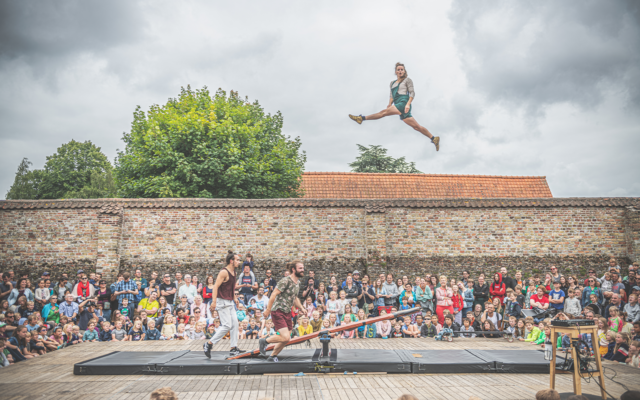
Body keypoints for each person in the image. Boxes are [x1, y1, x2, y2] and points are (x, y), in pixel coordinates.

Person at [348, 62, 440, 150]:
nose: (400, 71)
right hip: (398, 105)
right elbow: (392, 95)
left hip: (403, 103)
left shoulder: (407, 80)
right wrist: (389, 104)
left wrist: (408, 104)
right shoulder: (392, 83)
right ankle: (433, 138)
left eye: (402, 69)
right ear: (396, 71)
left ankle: (361, 118)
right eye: (398, 69)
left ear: (404, 71)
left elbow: (412, 93)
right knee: (417, 127)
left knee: (382, 113)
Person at [258, 260, 306, 362]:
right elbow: (273, 294)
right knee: (284, 337)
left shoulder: (298, 283)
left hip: (287, 312)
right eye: (300, 268)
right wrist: (267, 310)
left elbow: (295, 298)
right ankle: (264, 341)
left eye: (303, 268)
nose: (303, 270)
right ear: (294, 269)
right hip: (278, 311)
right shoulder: (286, 281)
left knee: (287, 339)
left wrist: (302, 308)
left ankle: (272, 356)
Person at [204, 251, 244, 358]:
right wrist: (213, 302)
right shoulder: (224, 272)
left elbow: (231, 288)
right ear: (231, 261)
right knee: (227, 325)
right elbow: (215, 287)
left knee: (235, 324)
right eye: (237, 260)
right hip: (222, 301)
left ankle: (233, 348)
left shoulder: (234, 272)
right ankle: (208, 344)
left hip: (230, 301)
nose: (239, 262)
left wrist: (235, 298)